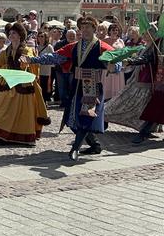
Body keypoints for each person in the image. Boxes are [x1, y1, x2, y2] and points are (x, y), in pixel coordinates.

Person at [26, 16, 118, 161]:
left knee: (86, 116)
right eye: (83, 27)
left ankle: (75, 148)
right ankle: (94, 145)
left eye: (88, 27)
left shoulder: (101, 46)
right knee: (73, 119)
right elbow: (55, 57)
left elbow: (116, 60)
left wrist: (114, 66)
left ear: (94, 29)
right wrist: (33, 59)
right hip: (76, 86)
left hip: (92, 87)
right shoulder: (74, 46)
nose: (85, 30)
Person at [0, 23, 49, 146]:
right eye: (10, 33)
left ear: (20, 35)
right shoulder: (5, 51)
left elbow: (32, 64)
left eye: (14, 33)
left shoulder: (27, 49)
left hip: (23, 86)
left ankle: (20, 136)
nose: (11, 35)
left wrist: (25, 63)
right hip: (7, 84)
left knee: (22, 112)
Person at [105, 26, 159, 135]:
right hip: (138, 79)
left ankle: (146, 127)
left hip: (147, 81)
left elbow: (146, 59)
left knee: (141, 105)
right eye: (143, 33)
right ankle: (104, 115)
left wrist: (130, 61)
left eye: (147, 33)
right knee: (123, 100)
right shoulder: (144, 46)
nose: (144, 35)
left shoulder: (155, 47)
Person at [121, 27, 164, 144]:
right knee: (155, 107)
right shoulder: (158, 43)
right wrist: (131, 61)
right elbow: (147, 57)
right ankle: (143, 133)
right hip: (161, 82)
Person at [102, 24, 126, 100]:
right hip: (108, 66)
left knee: (117, 85)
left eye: (116, 30)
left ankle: (116, 100)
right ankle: (106, 100)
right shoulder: (104, 40)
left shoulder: (121, 41)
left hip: (118, 66)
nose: (115, 32)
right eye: (113, 30)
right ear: (109, 31)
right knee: (107, 83)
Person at [36, 31, 54, 103]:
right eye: (39, 36)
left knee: (45, 86)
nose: (40, 38)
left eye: (42, 36)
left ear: (46, 38)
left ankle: (45, 101)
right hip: (38, 69)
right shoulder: (36, 47)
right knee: (39, 85)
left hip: (46, 70)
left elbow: (52, 58)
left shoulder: (49, 47)